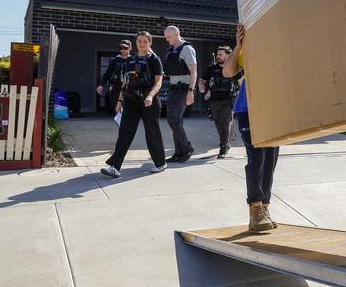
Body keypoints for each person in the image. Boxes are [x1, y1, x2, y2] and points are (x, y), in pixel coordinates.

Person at [223, 24, 279, 232]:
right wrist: (238, 45)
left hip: (274, 110)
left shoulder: (279, 47)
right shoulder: (249, 47)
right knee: (257, 158)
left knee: (270, 160)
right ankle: (254, 209)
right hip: (249, 109)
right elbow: (228, 72)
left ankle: (265, 207)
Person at [101, 31, 166, 178]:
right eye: (139, 41)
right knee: (125, 132)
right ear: (136, 43)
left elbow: (158, 82)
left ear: (150, 42)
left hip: (149, 101)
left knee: (152, 133)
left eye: (144, 41)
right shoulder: (130, 60)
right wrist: (119, 101)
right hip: (131, 100)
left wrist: (150, 95)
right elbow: (125, 82)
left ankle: (160, 163)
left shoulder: (154, 60)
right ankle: (114, 166)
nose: (142, 44)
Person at [198, 46, 242, 158]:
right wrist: (201, 86)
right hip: (214, 100)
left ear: (228, 55)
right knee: (217, 122)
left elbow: (241, 84)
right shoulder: (211, 68)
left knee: (225, 123)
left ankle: (224, 147)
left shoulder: (234, 68)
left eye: (221, 55)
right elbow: (202, 79)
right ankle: (225, 140)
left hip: (228, 100)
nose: (218, 57)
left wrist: (242, 100)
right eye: (217, 55)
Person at [163, 25, 197, 163]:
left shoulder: (187, 49)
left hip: (183, 90)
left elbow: (193, 71)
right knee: (176, 121)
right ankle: (178, 152)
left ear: (176, 34)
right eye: (166, 37)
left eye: (168, 37)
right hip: (172, 90)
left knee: (173, 119)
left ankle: (187, 147)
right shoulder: (171, 51)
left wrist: (191, 91)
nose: (167, 40)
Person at [96, 40, 132, 112]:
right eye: (121, 48)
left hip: (129, 88)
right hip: (117, 88)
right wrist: (101, 85)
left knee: (128, 111)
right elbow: (107, 74)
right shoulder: (115, 60)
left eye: (125, 48)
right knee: (118, 110)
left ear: (130, 48)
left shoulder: (133, 60)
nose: (122, 50)